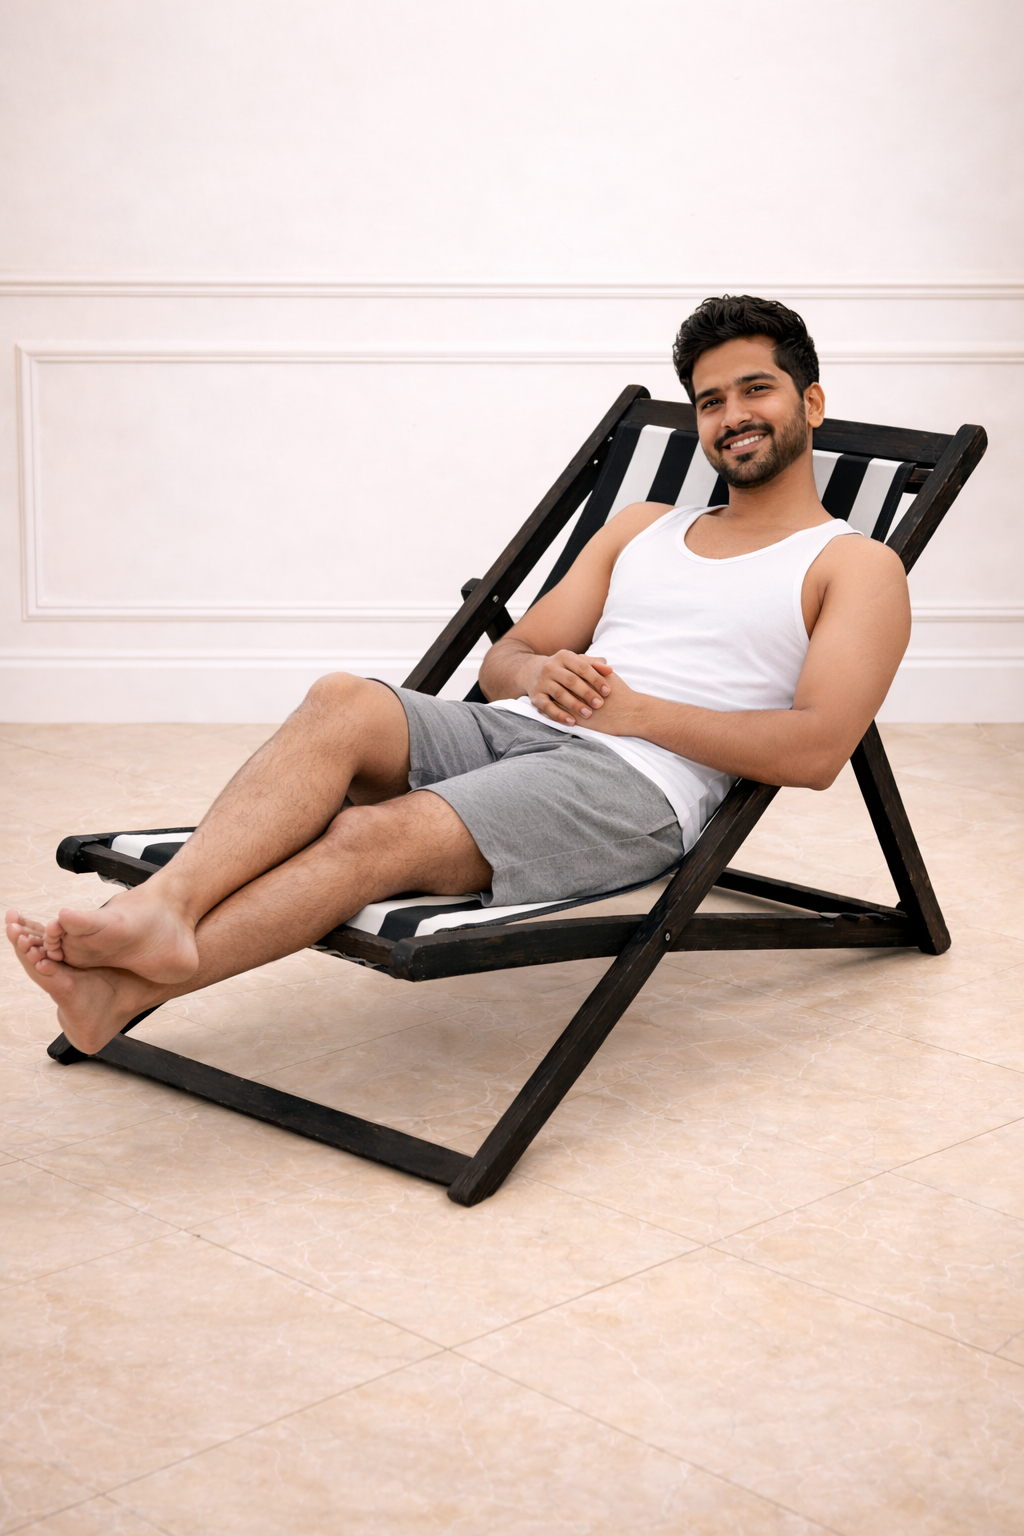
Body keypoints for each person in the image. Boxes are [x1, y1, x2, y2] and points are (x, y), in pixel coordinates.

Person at [6, 295, 911, 1056]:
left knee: (375, 837)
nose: (732, 414)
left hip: (634, 786)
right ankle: (165, 906)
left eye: (756, 388)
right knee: (341, 700)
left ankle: (125, 995)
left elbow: (819, 748)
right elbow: (504, 658)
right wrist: (541, 669)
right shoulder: (644, 525)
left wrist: (636, 713)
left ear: (813, 401)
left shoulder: (853, 565)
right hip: (531, 733)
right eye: (711, 400)